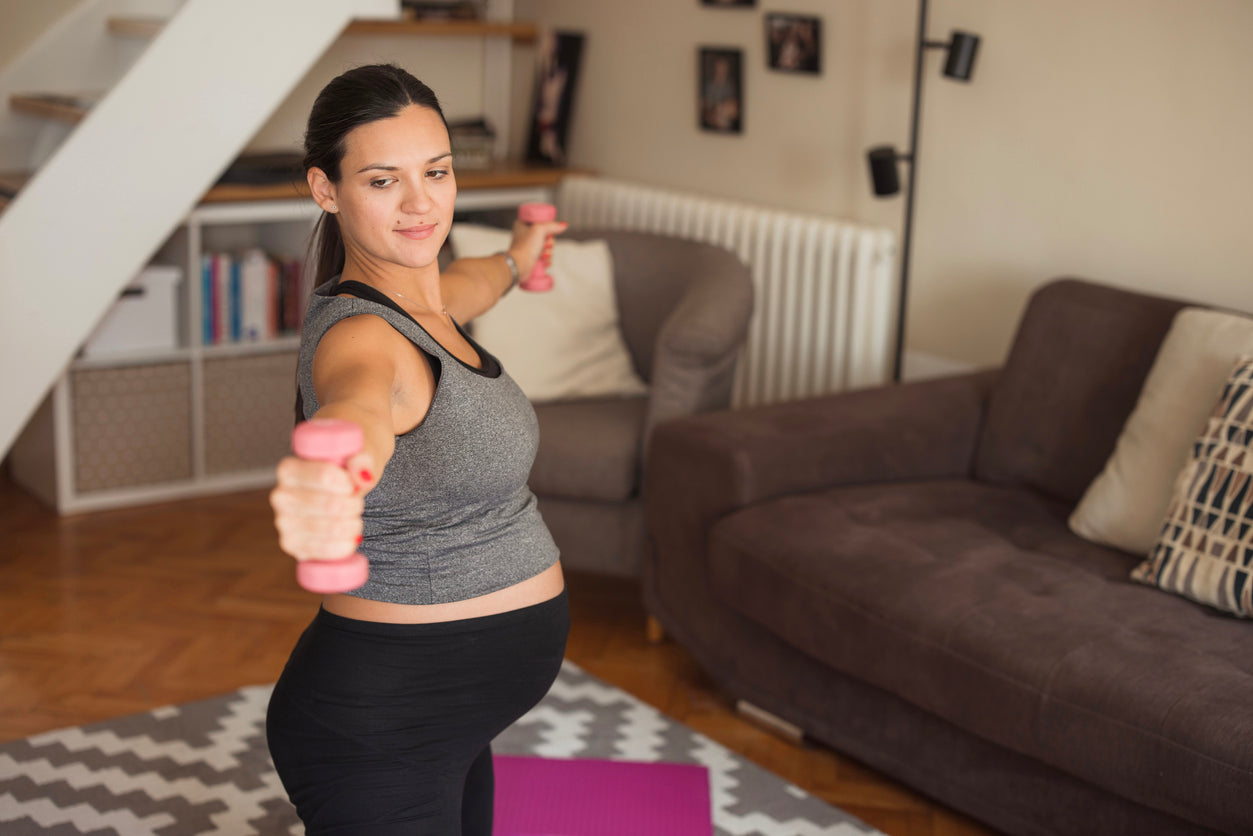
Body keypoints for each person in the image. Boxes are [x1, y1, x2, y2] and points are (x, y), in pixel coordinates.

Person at [265, 64, 570, 835]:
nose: (420, 203)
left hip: (448, 718)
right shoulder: (365, 338)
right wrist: (330, 470)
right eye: (381, 180)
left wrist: (518, 257)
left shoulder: (421, 303)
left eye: (435, 171)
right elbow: (357, 404)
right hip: (381, 726)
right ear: (326, 189)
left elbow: (464, 284)